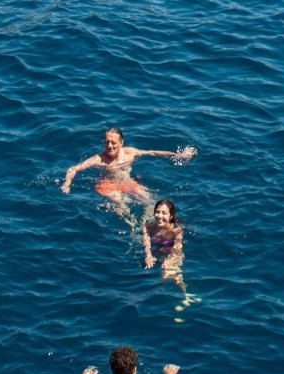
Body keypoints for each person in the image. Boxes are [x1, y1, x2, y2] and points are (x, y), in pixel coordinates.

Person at [61, 127, 196, 219]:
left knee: (151, 203)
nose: (109, 146)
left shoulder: (129, 153)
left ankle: (147, 223)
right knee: (124, 210)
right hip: (107, 186)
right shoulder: (98, 159)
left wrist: (178, 155)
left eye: (113, 143)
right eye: (106, 142)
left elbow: (152, 152)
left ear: (121, 142)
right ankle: (133, 229)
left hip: (127, 183)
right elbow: (72, 169)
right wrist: (67, 183)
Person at [142, 198, 194, 308]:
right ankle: (183, 297)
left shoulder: (176, 230)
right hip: (158, 251)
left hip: (173, 252)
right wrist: (148, 256)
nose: (159, 216)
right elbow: (146, 243)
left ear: (170, 216)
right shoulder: (149, 226)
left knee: (167, 272)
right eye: (157, 212)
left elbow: (177, 248)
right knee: (164, 275)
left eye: (164, 213)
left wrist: (170, 260)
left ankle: (186, 295)